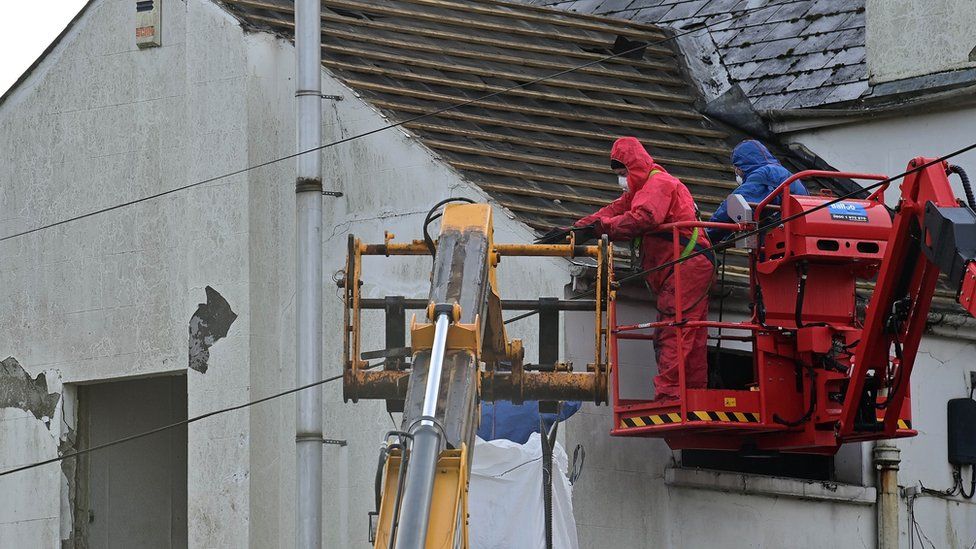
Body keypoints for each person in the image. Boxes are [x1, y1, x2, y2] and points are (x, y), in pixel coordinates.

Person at [573, 137, 713, 403]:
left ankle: (672, 397)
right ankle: (694, 395)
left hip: (685, 266)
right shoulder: (642, 190)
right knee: (689, 331)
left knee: (674, 330)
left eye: (623, 173)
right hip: (685, 266)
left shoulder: (658, 184)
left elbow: (643, 218)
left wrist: (600, 229)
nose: (622, 180)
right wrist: (578, 228)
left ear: (635, 166)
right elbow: (614, 210)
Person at [708, 140, 809, 241]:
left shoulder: (765, 173)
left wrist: (708, 235)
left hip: (783, 237)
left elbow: (733, 205)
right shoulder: (784, 173)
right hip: (798, 233)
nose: (737, 171)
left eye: (736, 167)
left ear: (742, 165)